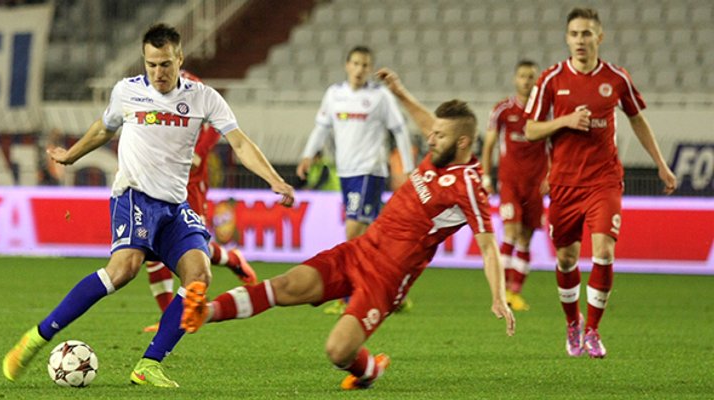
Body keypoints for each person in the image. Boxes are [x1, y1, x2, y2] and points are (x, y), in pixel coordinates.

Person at [180, 69, 515, 390]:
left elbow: (488, 246)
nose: (430, 138)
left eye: (440, 136)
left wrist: (498, 295)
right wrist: (400, 93)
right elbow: (429, 122)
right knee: (285, 285)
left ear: (462, 142)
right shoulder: (439, 152)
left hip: (386, 278)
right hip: (360, 250)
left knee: (338, 351)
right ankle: (204, 312)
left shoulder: (469, 185)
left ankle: (369, 370)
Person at [2, 23, 295, 387]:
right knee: (124, 269)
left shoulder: (203, 97)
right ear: (145, 61)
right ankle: (37, 337)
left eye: (165, 64)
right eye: (151, 64)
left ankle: (149, 364)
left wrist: (273, 179)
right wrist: (71, 155)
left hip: (175, 204)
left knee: (199, 274)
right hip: (134, 194)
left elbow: (239, 143)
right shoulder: (127, 92)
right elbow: (104, 128)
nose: (158, 72)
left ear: (180, 59)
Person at [523, 8, 676, 358]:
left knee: (604, 251)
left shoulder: (616, 78)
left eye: (587, 34)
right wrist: (565, 120)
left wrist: (661, 166)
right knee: (565, 259)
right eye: (575, 34)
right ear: (567, 38)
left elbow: (637, 120)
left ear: (599, 37)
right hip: (563, 183)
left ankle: (592, 329)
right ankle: (572, 323)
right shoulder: (550, 79)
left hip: (604, 181)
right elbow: (530, 130)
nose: (580, 40)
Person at [295, 46, 415, 315]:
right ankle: (393, 291)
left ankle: (350, 296)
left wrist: (407, 168)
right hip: (346, 172)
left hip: (369, 170)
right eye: (356, 63)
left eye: (365, 65)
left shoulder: (379, 96)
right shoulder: (334, 94)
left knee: (353, 232)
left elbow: (399, 129)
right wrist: (307, 155)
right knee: (374, 237)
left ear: (370, 69)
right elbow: (322, 127)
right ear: (347, 65)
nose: (360, 69)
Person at [142, 70, 257, 333]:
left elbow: (218, 124)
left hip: (190, 180)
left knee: (194, 244)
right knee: (151, 243)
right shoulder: (148, 85)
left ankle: (232, 259)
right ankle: (168, 318)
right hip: (159, 177)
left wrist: (198, 152)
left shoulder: (194, 86)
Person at [480, 60, 548, 312]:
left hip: (536, 184)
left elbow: (556, 146)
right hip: (510, 181)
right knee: (510, 232)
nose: (526, 81)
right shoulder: (503, 109)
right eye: (522, 76)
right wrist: (486, 177)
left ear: (536, 81)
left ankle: (515, 292)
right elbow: (488, 144)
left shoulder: (545, 112)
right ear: (515, 79)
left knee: (525, 240)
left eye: (531, 77)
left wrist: (551, 175)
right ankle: (502, 292)